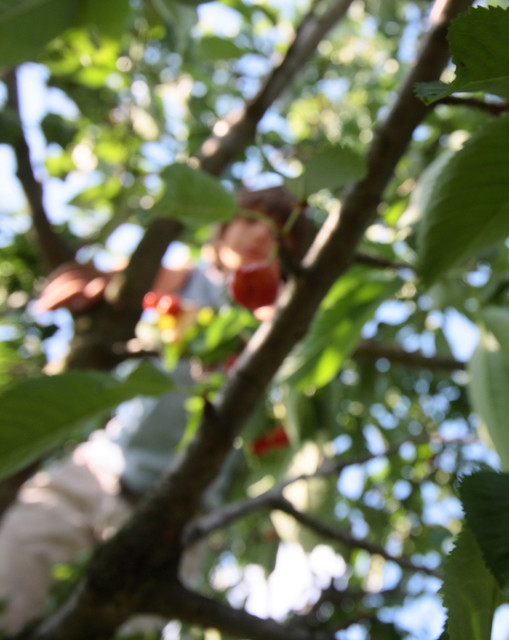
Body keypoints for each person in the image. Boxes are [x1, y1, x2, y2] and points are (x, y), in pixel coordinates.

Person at [0, 185, 312, 636]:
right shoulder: (187, 280)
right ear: (220, 229)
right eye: (249, 221)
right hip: (99, 471)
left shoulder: (276, 328)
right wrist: (95, 283)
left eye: (279, 237)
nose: (260, 238)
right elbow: (126, 279)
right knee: (15, 563)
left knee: (129, 627)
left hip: (178, 517)